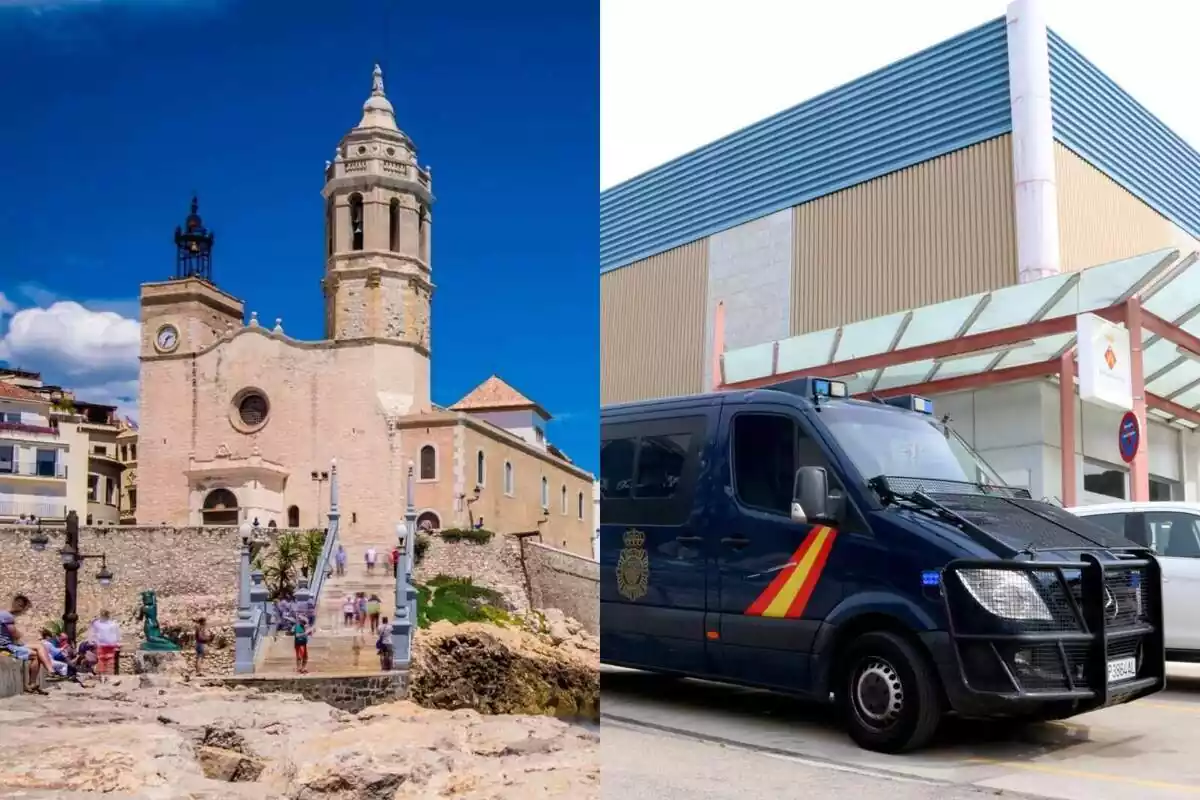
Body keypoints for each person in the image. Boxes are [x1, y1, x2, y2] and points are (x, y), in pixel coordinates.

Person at [0, 594, 52, 694]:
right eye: (24, 609)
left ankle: (50, 671)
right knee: (35, 656)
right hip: (6, 647)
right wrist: (20, 634)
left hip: (10, 644)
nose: (23, 613)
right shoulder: (7, 616)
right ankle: (34, 682)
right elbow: (15, 634)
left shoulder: (3, 614)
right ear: (20, 606)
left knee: (39, 646)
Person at [88, 610, 122, 677]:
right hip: (110, 645)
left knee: (102, 660)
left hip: (102, 645)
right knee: (109, 660)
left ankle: (102, 676)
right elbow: (117, 634)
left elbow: (93, 633)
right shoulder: (113, 624)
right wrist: (117, 642)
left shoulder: (97, 623)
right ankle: (108, 676)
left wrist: (91, 641)